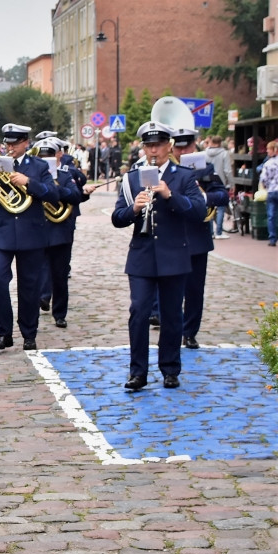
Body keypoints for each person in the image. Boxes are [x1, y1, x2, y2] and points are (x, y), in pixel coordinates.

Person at [111, 121, 205, 390]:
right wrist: (134, 210)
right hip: (141, 256)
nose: (154, 150)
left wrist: (170, 195)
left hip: (174, 255)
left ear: (168, 146)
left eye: (159, 145)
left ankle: (170, 369)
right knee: (139, 312)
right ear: (143, 147)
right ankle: (138, 372)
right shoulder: (132, 177)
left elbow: (198, 211)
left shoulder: (184, 176)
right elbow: (117, 218)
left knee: (172, 314)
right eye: (149, 145)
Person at [0, 123, 58, 351]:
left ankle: (29, 333)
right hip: (1, 233)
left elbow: (53, 194)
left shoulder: (39, 166)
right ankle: (4, 332)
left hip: (31, 233)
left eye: (14, 143)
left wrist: (29, 182)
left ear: (25, 143)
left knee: (29, 286)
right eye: (7, 143)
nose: (10, 148)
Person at [172, 128, 228, 350]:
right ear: (172, 147)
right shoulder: (165, 170)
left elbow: (222, 195)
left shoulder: (206, 168)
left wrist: (203, 196)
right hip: (172, 235)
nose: (183, 150)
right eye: (179, 147)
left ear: (194, 146)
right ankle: (171, 327)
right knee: (170, 288)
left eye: (187, 146)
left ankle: (190, 332)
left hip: (196, 236)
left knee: (195, 290)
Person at [36, 138, 84, 329]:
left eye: (49, 155)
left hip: (60, 231)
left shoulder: (65, 174)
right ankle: (41, 299)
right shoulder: (34, 175)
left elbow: (75, 196)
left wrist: (56, 189)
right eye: (42, 156)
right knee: (38, 272)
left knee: (60, 274)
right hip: (39, 230)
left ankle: (60, 313)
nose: (45, 159)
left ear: (58, 155)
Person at [204, 136, 233, 238]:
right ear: (220, 142)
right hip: (220, 183)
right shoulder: (224, 154)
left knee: (209, 206)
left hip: (207, 183)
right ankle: (219, 232)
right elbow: (227, 170)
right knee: (220, 208)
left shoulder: (205, 153)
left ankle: (210, 232)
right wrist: (231, 183)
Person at [257, 140, 278, 247]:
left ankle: (273, 239)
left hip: (272, 191)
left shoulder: (268, 163)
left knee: (271, 215)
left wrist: (266, 186)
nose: (267, 151)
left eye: (268, 149)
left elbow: (263, 179)